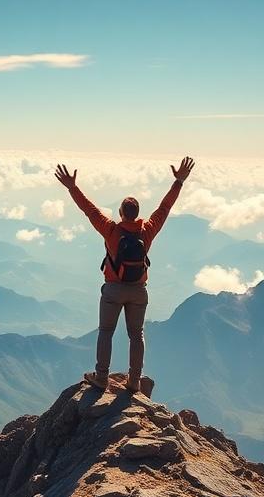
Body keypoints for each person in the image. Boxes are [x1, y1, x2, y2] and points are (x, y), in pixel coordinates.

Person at [55, 156, 195, 394]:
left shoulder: (111, 230)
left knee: (106, 332)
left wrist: (72, 187)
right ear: (137, 213)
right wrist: (179, 182)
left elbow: (89, 210)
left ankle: (101, 377)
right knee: (136, 335)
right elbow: (164, 208)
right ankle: (134, 381)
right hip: (139, 290)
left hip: (113, 289)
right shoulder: (147, 230)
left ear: (121, 213)